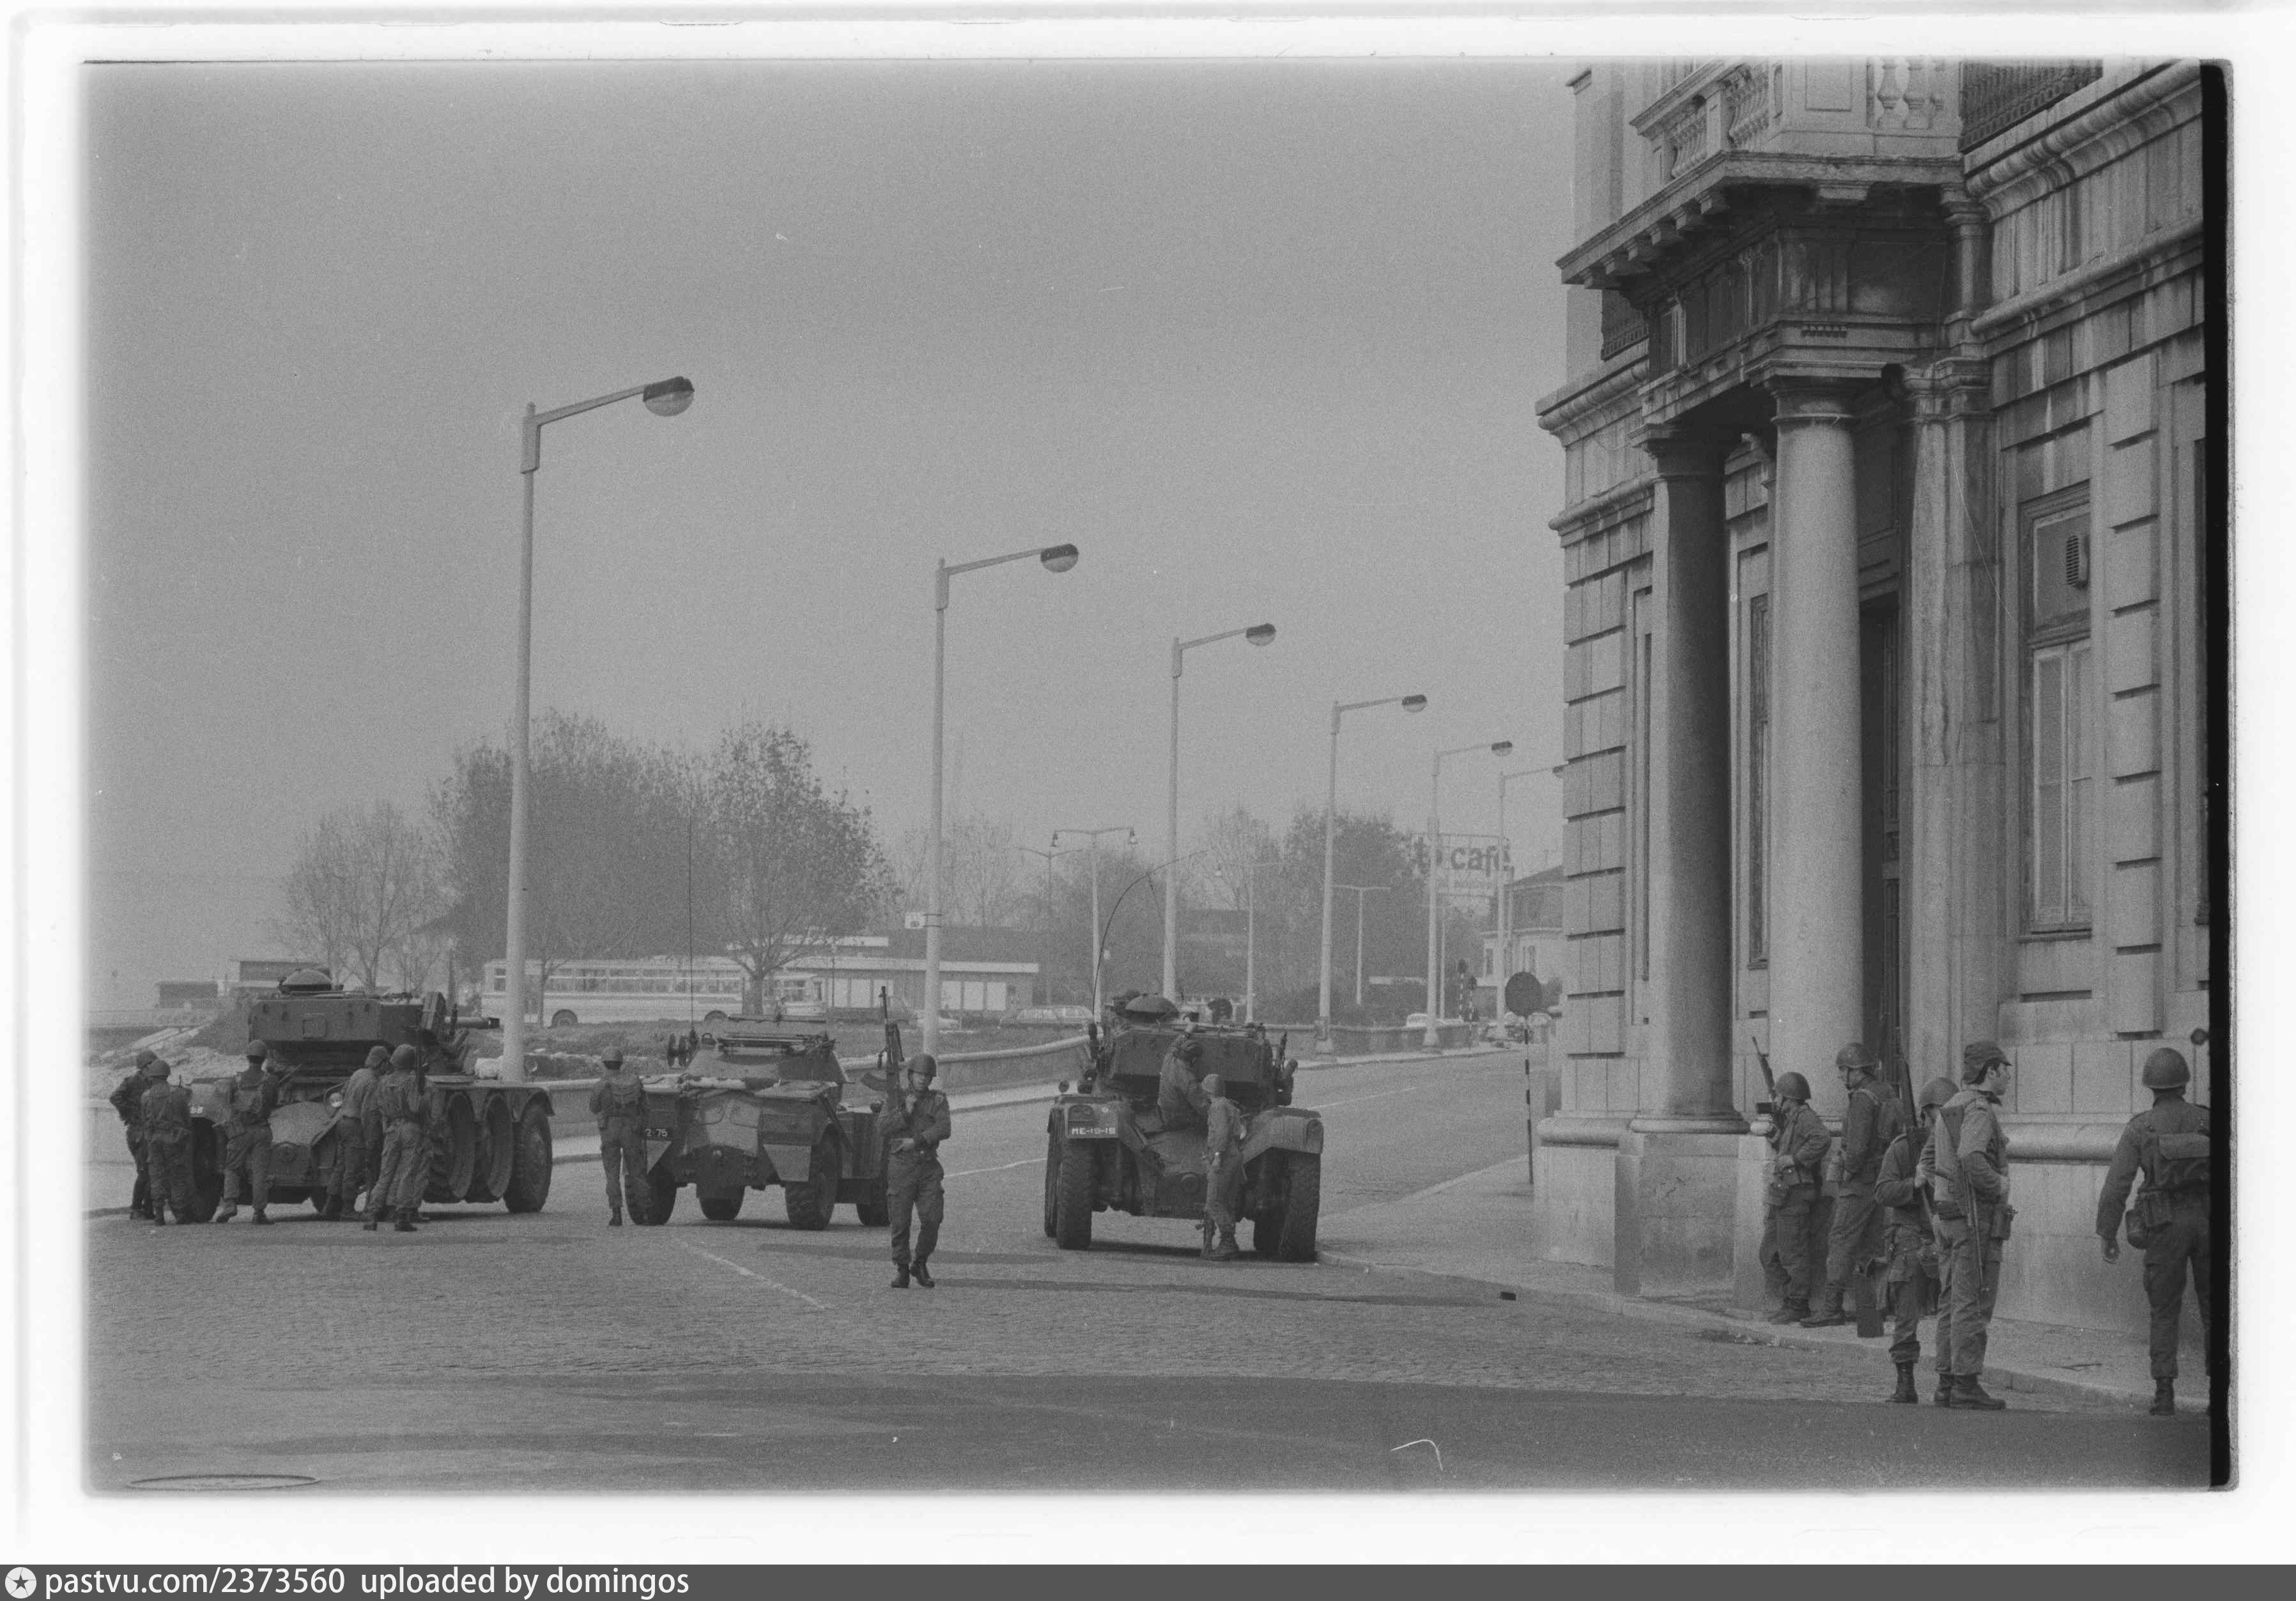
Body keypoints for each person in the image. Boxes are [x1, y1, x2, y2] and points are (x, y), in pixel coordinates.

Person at [2096, 1046, 2212, 1416]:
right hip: (2209, 1221)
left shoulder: (2140, 1127)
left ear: (2151, 1087)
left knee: (2164, 1310)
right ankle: (2220, 1392)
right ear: (2184, 1084)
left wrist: (2107, 1233)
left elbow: (2117, 1185)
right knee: (2215, 1309)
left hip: (2163, 1224)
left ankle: (2164, 1394)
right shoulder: (2207, 1120)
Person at [1922, 1040, 2015, 1410]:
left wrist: (1944, 1190)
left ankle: (1947, 1382)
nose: (2008, 1076)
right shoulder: (1977, 1109)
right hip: (1971, 1218)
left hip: (1948, 1216)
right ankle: (1965, 1384)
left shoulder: (1952, 1105)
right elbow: (1972, 1159)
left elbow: (1928, 1159)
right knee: (1971, 1301)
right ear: (1991, 1071)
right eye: (2004, 1069)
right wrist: (1998, 1184)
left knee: (1950, 1300)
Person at [1803, 1042, 1904, 1327]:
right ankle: (1870, 1312)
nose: (1840, 1076)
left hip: (1860, 1183)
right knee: (1870, 1247)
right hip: (1882, 1179)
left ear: (1855, 1071)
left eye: (1843, 1070)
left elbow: (1857, 1150)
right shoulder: (1886, 1093)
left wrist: (1847, 1170)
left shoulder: (1862, 1098)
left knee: (1840, 1241)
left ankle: (1832, 1308)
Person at [1874, 1076, 1957, 1402]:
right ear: (1925, 1115)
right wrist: (1914, 1182)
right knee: (1907, 1314)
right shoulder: (1903, 1148)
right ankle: (1905, 1381)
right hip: (1911, 1236)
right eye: (1939, 1114)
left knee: (1954, 1313)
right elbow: (1883, 1191)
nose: (1944, 1121)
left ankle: (1948, 1381)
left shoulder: (1960, 1145)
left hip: (1949, 1234)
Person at [1759, 1071, 1830, 1324]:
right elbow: (1789, 1148)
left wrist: (1797, 1159)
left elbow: (1822, 1139)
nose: (1776, 1099)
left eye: (1779, 1095)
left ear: (1789, 1097)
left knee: (1793, 1254)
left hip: (1796, 1195)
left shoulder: (1806, 1117)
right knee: (1769, 1252)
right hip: (1782, 1194)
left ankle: (1798, 1304)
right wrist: (1776, 1140)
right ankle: (1789, 1299)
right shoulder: (1792, 1119)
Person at [882, 1051, 951, 1289]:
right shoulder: (896, 1098)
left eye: (926, 1075)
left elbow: (944, 1128)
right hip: (902, 1167)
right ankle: (902, 1268)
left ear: (931, 1079)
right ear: (910, 1076)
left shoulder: (938, 1101)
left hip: (928, 1166)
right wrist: (905, 1112)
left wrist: (918, 1141)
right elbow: (882, 1127)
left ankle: (920, 1262)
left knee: (933, 1218)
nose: (922, 1079)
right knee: (900, 1222)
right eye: (918, 1074)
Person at [213, 1041, 291, 1225]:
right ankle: (259, 1212)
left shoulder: (235, 1080)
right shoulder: (271, 1081)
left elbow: (227, 1105)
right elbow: (274, 1103)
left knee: (232, 1168)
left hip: (239, 1131)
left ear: (248, 1057)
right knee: (260, 1172)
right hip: (262, 1131)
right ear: (264, 1058)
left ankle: (230, 1204)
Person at [364, 1045, 430, 1234]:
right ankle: (401, 1217)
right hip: (410, 1128)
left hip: (391, 1129)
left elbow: (379, 1106)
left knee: (385, 1174)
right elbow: (416, 1107)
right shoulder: (411, 1081)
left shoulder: (383, 1081)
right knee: (407, 1173)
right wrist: (425, 1096)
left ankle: (372, 1216)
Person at [589, 1048, 647, 1226]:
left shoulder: (601, 1085)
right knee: (637, 1172)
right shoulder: (634, 1081)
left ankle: (616, 1214)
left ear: (604, 1064)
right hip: (631, 1129)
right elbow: (645, 1107)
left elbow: (594, 1108)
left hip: (610, 1130)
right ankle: (646, 1213)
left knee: (612, 1174)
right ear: (621, 1063)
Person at [328, 1046, 387, 1221]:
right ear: (382, 1063)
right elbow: (368, 1115)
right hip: (355, 1126)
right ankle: (348, 1209)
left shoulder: (358, 1073)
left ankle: (330, 1207)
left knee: (341, 1167)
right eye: (386, 1063)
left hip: (341, 1122)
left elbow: (343, 1093)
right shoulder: (373, 1082)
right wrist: (371, 1141)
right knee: (353, 1169)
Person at [109, 1049, 166, 1219]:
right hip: (138, 1133)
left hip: (149, 1130)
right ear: (144, 1067)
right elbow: (115, 1097)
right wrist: (131, 1113)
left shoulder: (153, 1082)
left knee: (152, 1170)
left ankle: (147, 1209)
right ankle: (135, 1209)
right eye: (151, 1065)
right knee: (145, 1172)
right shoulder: (133, 1081)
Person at [140, 1063, 196, 1227]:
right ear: (167, 1074)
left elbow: (144, 1120)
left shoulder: (146, 1096)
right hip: (174, 1139)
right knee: (177, 1176)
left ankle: (159, 1214)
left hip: (154, 1140)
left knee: (157, 1176)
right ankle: (180, 1214)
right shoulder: (177, 1094)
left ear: (152, 1076)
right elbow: (187, 1120)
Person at [1200, 1072, 1245, 1262]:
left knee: (1213, 1202)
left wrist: (1217, 1156)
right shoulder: (1229, 1105)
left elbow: (1222, 1133)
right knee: (1225, 1202)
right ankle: (1227, 1245)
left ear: (1208, 1091)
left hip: (1224, 1158)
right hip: (1234, 1156)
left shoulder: (1217, 1106)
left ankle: (1228, 1242)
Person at [1157, 1033, 1210, 1133]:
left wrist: (1186, 1033)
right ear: (1194, 1059)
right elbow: (1202, 1106)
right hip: (1177, 1118)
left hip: (1163, 1109)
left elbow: (1174, 1045)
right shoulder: (1188, 1079)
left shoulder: (1169, 1058)